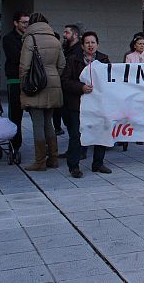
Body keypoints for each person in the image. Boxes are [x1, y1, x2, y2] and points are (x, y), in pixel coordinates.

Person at [61, 31, 112, 177]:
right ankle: (74, 166)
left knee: (101, 132)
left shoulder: (104, 59)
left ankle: (98, 163)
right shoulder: (73, 59)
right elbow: (65, 81)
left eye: (93, 42)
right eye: (87, 43)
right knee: (76, 135)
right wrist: (80, 87)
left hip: (99, 105)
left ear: (97, 44)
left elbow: (111, 80)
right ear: (82, 45)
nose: (90, 45)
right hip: (78, 104)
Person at [19, 13, 66, 171]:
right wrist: (53, 77)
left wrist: (24, 84)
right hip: (53, 82)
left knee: (37, 124)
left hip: (35, 83)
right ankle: (53, 158)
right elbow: (62, 64)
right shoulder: (55, 39)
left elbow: (24, 66)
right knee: (49, 123)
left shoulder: (30, 39)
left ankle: (40, 161)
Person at [3, 11, 29, 155]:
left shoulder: (31, 38)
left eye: (28, 22)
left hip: (30, 80)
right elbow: (15, 57)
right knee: (15, 116)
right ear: (16, 23)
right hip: (15, 80)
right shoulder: (9, 39)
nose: (26, 25)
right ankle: (15, 146)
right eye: (24, 22)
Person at [56, 23, 82, 136]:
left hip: (73, 90)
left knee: (74, 123)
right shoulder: (67, 49)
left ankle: (78, 151)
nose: (64, 35)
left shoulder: (78, 51)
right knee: (68, 121)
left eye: (67, 32)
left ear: (75, 35)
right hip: (66, 88)